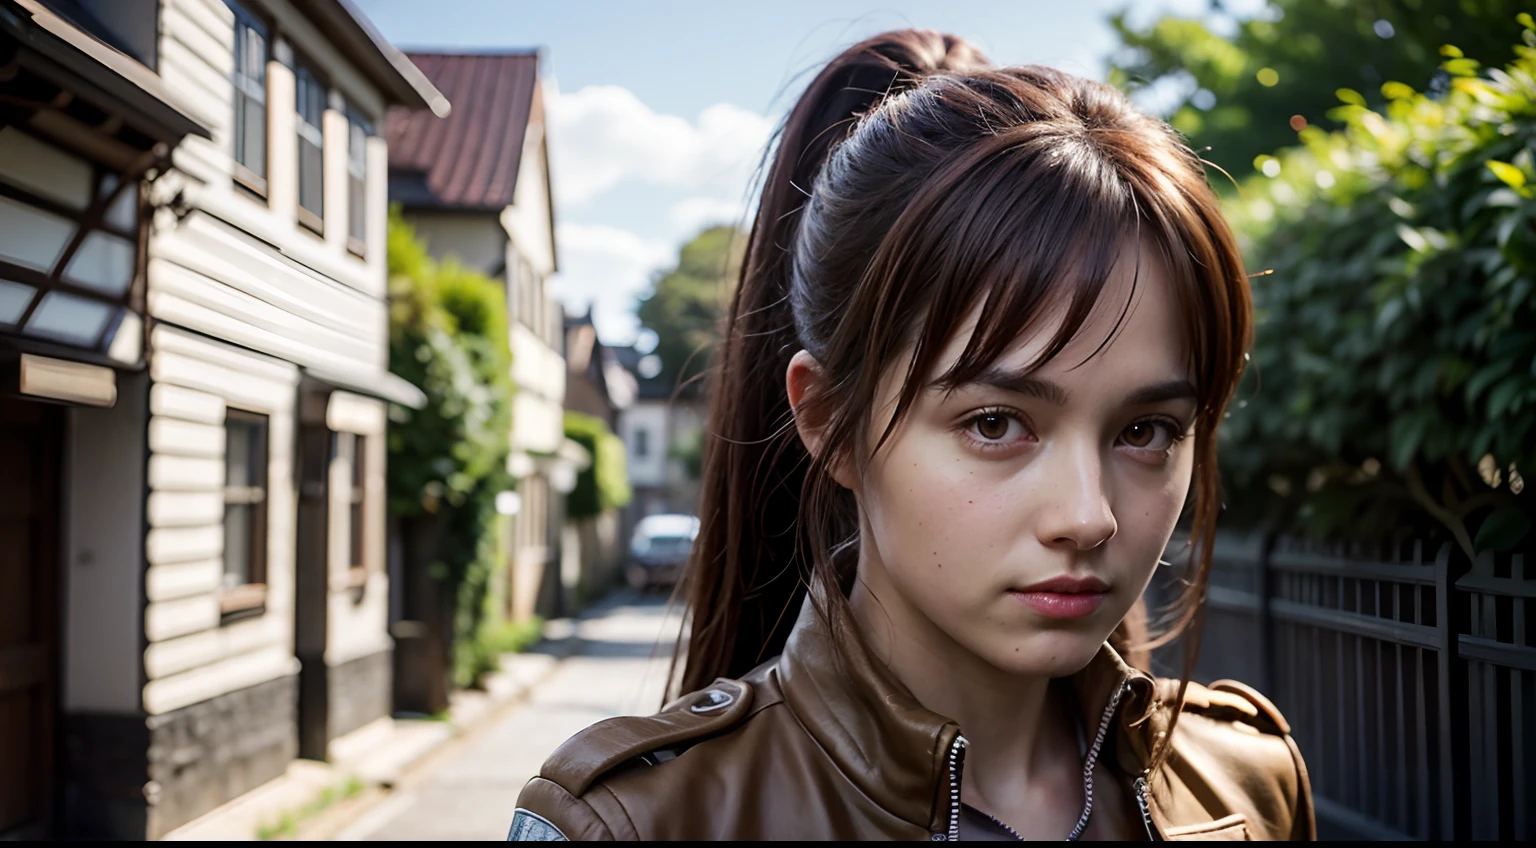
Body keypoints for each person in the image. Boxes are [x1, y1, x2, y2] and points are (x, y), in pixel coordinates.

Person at [509, 28, 1314, 841]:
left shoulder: (1247, 785)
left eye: (1145, 430)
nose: (1089, 515)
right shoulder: (631, 825)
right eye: (996, 423)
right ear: (829, 421)